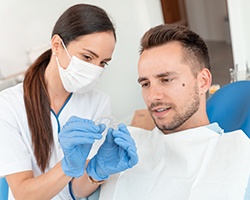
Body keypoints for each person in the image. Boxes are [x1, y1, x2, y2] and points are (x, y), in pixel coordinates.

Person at [0, 4, 138, 200]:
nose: (95, 69)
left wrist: (97, 171)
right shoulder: (8, 106)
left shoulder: (98, 103)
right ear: (57, 45)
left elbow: (77, 191)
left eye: (103, 63)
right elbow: (24, 194)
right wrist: (67, 167)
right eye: (87, 57)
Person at [97, 24, 250, 200]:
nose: (152, 96)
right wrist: (91, 176)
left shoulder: (240, 162)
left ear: (203, 81)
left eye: (166, 79)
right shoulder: (128, 152)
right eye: (145, 84)